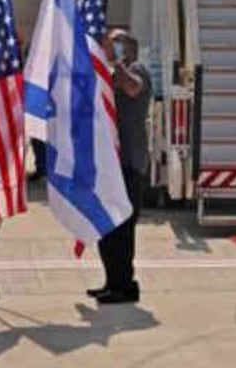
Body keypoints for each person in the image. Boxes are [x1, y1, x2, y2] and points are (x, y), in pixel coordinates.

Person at [92, 29, 152, 304]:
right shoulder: (109, 74)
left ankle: (125, 285)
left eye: (115, 42)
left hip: (129, 161)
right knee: (106, 227)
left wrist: (117, 62)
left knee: (123, 228)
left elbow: (133, 87)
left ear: (128, 47)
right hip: (108, 162)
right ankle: (111, 281)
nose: (109, 45)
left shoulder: (136, 69)